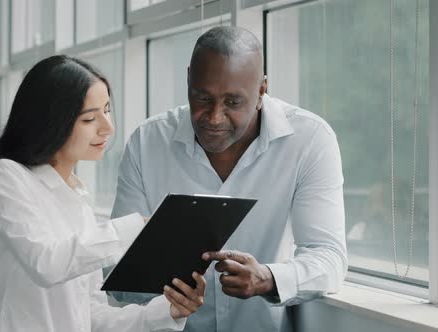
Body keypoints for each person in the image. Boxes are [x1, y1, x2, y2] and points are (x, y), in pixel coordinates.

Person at [110, 26, 347, 331]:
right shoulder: (146, 143)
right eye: (203, 97)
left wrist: (269, 278)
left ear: (261, 91)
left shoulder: (310, 140)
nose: (214, 117)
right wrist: (164, 295)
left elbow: (329, 258)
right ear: (188, 81)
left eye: (233, 102)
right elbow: (116, 271)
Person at [0, 55, 206, 332]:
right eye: (89, 118)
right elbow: (47, 264)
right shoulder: (6, 176)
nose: (107, 127)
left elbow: (90, 314)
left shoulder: (77, 198)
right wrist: (140, 228)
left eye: (107, 110)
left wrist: (166, 312)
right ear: (51, 122)